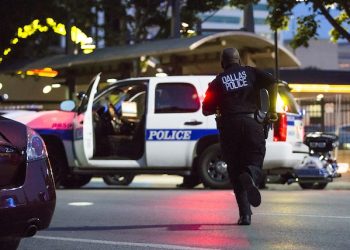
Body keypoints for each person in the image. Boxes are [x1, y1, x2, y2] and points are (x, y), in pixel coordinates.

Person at [202, 47, 277, 225]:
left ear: (222, 63)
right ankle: (251, 175)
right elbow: (272, 82)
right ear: (240, 61)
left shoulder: (217, 82)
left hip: (229, 127)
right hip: (252, 124)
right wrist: (271, 110)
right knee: (255, 159)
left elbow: (206, 109)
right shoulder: (250, 72)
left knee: (235, 170)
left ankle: (245, 215)